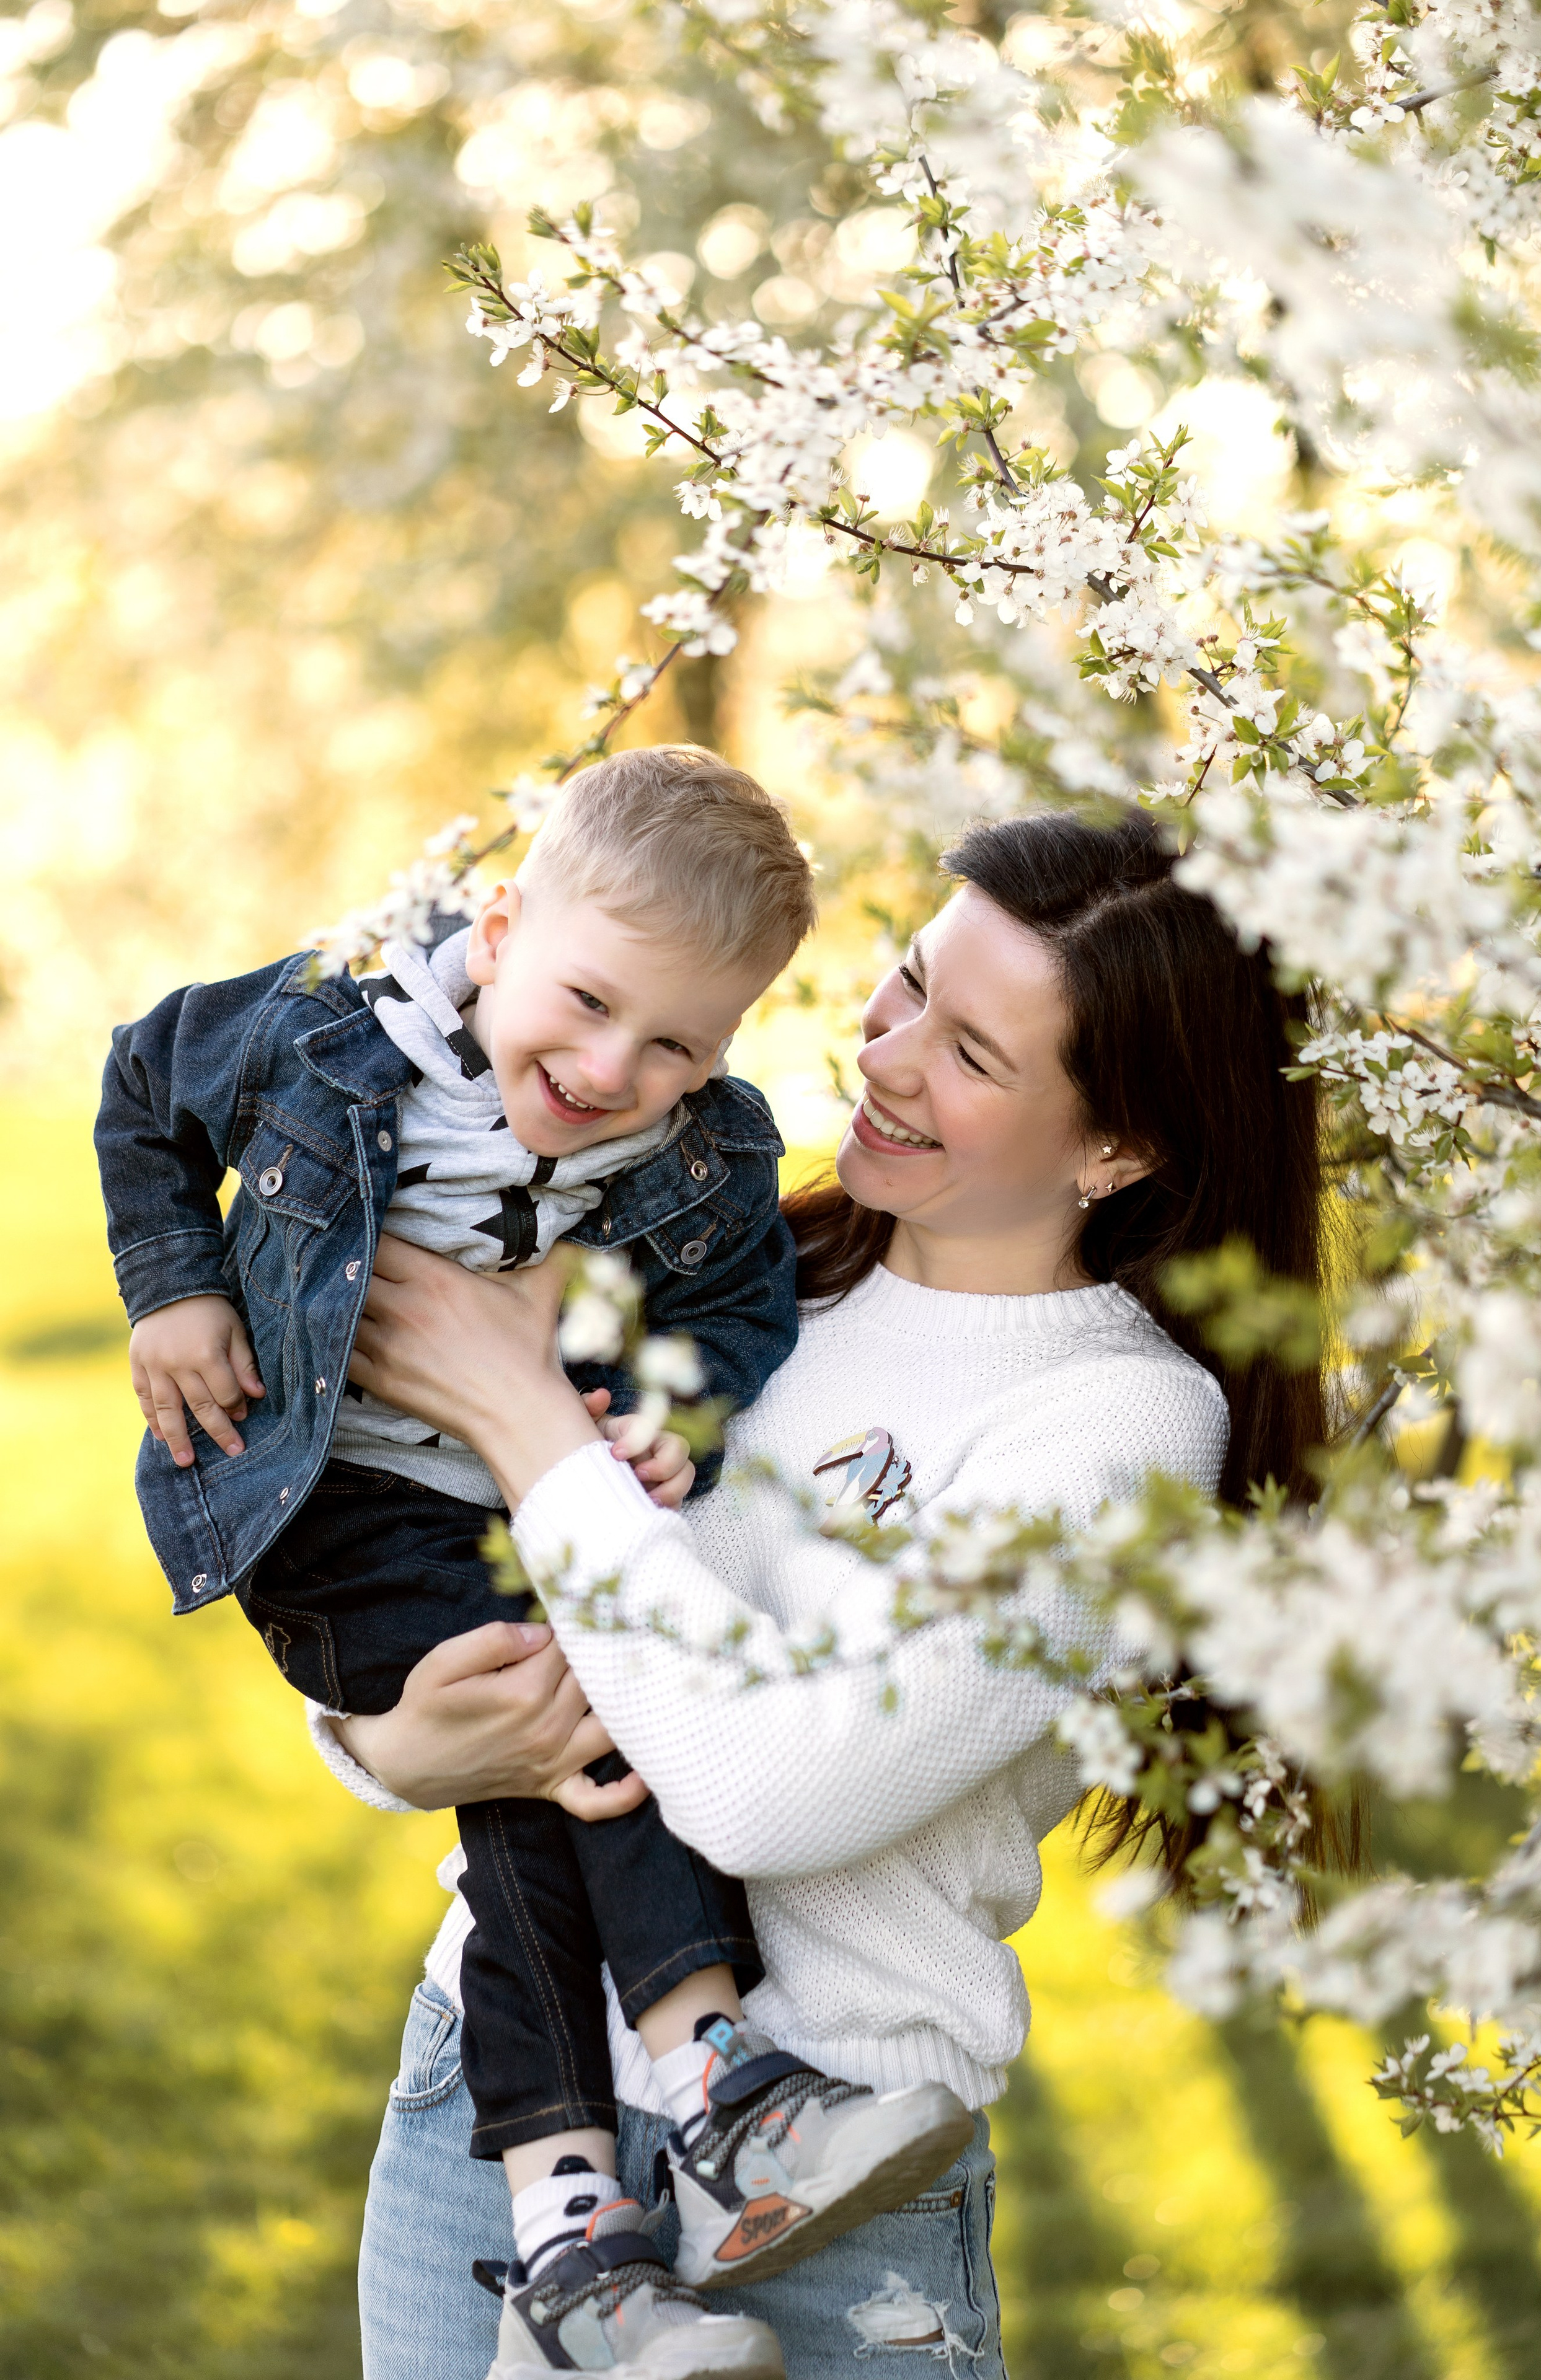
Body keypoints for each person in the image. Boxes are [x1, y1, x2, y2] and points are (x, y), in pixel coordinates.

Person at [317, 803, 1326, 2380]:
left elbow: (775, 1793)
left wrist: (522, 1414)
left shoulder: (1121, 1431)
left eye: (973, 1054)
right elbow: (439, 1560)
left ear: (1116, 1146)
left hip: (842, 2181)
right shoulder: (728, 1274)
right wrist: (386, 1749)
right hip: (506, 2111)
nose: (887, 1054)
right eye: (908, 980)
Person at [96, 746, 974, 2380]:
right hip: (328, 1512)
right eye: (583, 1001)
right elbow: (147, 1079)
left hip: (503, 1502)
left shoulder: (705, 1147)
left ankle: (590, 2231)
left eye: (675, 1044)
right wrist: (175, 1292)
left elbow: (731, 1311)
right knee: (570, 1731)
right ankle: (714, 2089)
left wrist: (670, 1423)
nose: (609, 1066)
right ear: (498, 930)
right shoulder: (326, 1036)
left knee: (571, 1747)